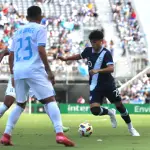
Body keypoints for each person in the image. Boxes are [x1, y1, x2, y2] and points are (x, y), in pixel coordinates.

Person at [0, 6, 75, 146]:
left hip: (19, 71)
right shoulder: (40, 29)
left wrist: (12, 73)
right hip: (34, 69)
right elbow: (41, 49)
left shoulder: (17, 32)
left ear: (27, 17)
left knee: (20, 104)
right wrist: (49, 70)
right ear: (40, 16)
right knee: (50, 100)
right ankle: (59, 133)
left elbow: (11, 55)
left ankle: (6, 135)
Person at [58, 29, 140, 136]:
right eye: (91, 42)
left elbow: (111, 68)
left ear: (101, 41)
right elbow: (79, 56)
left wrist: (98, 70)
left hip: (108, 85)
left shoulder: (106, 53)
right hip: (95, 86)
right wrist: (66, 59)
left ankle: (131, 128)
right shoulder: (88, 50)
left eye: (95, 42)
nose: (93, 44)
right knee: (95, 110)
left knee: (119, 105)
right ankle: (110, 112)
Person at [0, 43, 70, 132]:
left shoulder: (34, 40)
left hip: (32, 75)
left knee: (47, 100)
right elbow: (8, 53)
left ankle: (58, 126)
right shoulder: (22, 37)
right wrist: (12, 74)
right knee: (8, 103)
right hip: (18, 75)